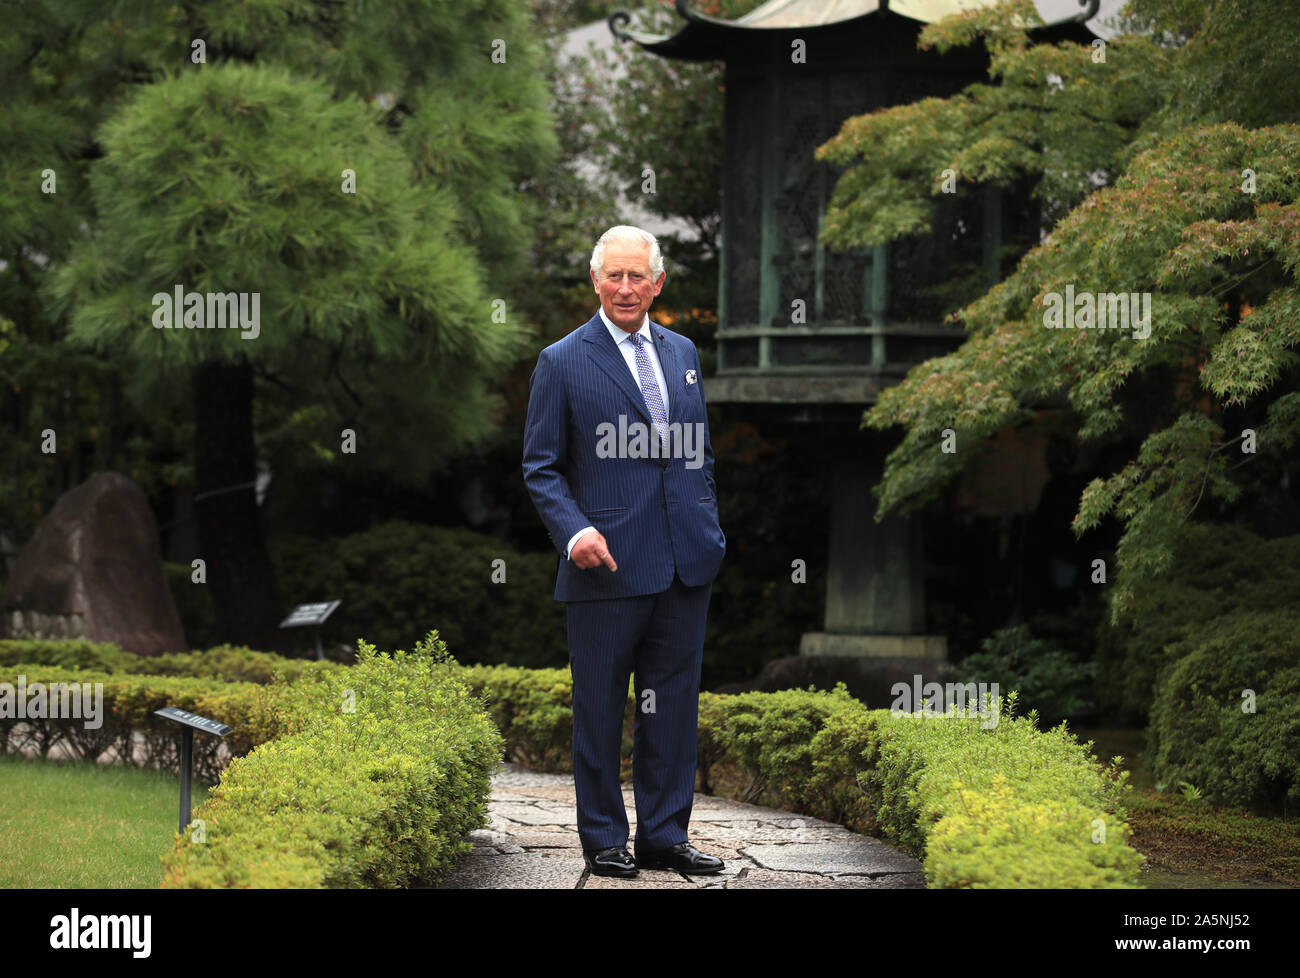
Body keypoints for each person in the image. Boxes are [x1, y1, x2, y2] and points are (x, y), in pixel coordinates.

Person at [521, 225, 726, 878]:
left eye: (639, 276)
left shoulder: (684, 351)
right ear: (595, 281)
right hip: (604, 564)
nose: (627, 287)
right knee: (601, 709)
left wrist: (709, 525)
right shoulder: (562, 361)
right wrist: (574, 532)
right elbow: (541, 467)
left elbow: (696, 452)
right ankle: (605, 838)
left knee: (673, 708)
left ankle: (666, 836)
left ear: (658, 283)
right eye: (615, 275)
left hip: (685, 562)